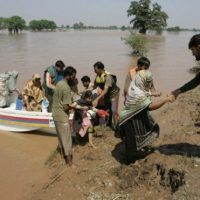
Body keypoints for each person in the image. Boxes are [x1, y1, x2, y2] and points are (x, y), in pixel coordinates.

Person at [119, 57, 174, 164]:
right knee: (131, 140)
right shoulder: (136, 86)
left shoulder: (138, 80)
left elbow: (149, 88)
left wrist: (154, 92)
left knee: (147, 128)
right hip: (130, 115)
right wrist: (165, 100)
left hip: (136, 109)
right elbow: (150, 106)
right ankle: (130, 161)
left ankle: (138, 149)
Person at [52, 66, 77, 166]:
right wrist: (75, 107)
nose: (74, 78)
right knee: (67, 139)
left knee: (60, 137)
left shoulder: (59, 83)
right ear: (69, 76)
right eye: (73, 76)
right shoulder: (66, 88)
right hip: (62, 116)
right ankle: (70, 162)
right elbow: (66, 107)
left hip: (55, 114)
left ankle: (62, 155)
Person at [93, 61, 120, 130]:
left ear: (100, 69)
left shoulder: (108, 77)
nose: (94, 71)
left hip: (114, 94)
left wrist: (97, 99)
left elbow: (105, 90)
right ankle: (109, 124)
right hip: (107, 96)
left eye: (95, 70)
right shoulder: (98, 76)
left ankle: (118, 127)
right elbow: (94, 87)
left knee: (114, 111)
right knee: (107, 110)